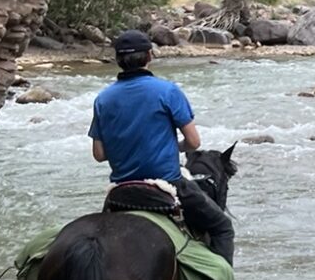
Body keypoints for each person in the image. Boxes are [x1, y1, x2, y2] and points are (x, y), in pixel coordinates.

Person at [89, 30, 234, 263]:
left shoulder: (103, 99)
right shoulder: (167, 91)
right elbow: (194, 142)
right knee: (222, 227)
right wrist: (173, 146)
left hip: (121, 190)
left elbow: (99, 154)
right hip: (167, 184)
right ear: (150, 56)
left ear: (118, 60)